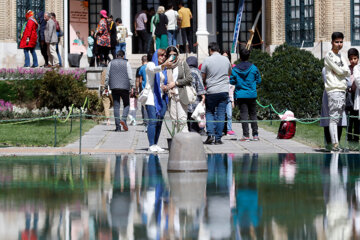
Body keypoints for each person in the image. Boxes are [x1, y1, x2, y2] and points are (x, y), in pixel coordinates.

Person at [324, 32, 351, 151]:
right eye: (337, 42)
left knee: (338, 118)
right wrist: (341, 71)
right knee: (334, 119)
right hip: (334, 89)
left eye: (341, 42)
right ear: (332, 42)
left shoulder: (341, 56)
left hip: (342, 89)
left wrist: (342, 71)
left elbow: (347, 72)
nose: (339, 44)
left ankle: (337, 145)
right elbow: (340, 71)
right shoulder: (329, 55)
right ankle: (334, 145)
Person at [202, 42, 232, 144]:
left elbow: (203, 76)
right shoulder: (226, 60)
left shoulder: (207, 60)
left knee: (209, 112)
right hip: (223, 90)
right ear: (218, 50)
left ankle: (210, 134)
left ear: (210, 50)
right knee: (221, 114)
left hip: (211, 90)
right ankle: (218, 138)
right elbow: (229, 73)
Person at [145, 49, 174, 153]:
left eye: (164, 55)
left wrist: (165, 87)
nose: (163, 57)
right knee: (152, 121)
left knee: (159, 122)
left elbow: (162, 81)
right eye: (161, 55)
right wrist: (164, 65)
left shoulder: (163, 69)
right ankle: (151, 144)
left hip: (161, 97)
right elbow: (154, 70)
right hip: (151, 98)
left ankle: (155, 143)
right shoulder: (150, 64)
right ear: (156, 56)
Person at [230, 48, 261, 141]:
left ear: (240, 56)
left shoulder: (235, 69)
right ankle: (255, 135)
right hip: (251, 94)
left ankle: (246, 135)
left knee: (244, 114)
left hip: (241, 94)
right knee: (253, 114)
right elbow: (259, 80)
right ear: (249, 56)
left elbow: (231, 80)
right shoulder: (254, 68)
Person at [165, 46, 193, 133]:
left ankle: (185, 142)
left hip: (181, 94)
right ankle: (176, 141)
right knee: (174, 120)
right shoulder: (165, 66)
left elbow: (189, 78)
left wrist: (176, 83)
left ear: (177, 55)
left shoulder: (182, 64)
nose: (172, 57)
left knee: (182, 119)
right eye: (170, 55)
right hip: (170, 95)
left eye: (174, 54)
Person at [105, 50, 134, 132]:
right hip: (125, 87)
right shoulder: (127, 63)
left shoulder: (111, 63)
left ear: (116, 56)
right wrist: (132, 86)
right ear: (123, 56)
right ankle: (124, 119)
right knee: (127, 104)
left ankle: (118, 127)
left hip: (114, 87)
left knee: (116, 106)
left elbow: (107, 76)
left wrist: (106, 86)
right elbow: (130, 76)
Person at [320, 67, 347, 149]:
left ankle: (336, 144)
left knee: (338, 121)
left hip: (340, 97)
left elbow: (347, 82)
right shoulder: (326, 69)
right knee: (330, 121)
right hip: (330, 96)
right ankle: (330, 145)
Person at [186, 56, 206, 133]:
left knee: (187, 117)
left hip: (186, 98)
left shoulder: (184, 71)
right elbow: (200, 85)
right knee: (194, 117)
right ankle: (194, 133)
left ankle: (189, 132)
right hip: (195, 99)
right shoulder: (197, 71)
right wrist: (203, 96)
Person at [347, 48, 360, 143]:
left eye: (355, 58)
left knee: (357, 119)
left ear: (358, 59)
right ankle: (349, 137)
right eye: (351, 59)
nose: (353, 61)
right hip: (349, 96)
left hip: (357, 95)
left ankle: (356, 138)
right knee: (350, 118)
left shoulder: (358, 68)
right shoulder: (347, 70)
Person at [222, 50, 236, 135]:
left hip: (230, 91)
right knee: (221, 113)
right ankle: (223, 128)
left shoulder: (233, 67)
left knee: (229, 113)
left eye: (226, 57)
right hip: (222, 90)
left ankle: (229, 128)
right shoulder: (219, 66)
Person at [137, 55, 148, 129]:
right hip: (151, 88)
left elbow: (140, 80)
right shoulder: (151, 66)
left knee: (144, 106)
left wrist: (139, 89)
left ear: (142, 60)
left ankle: (145, 121)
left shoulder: (141, 68)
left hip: (144, 88)